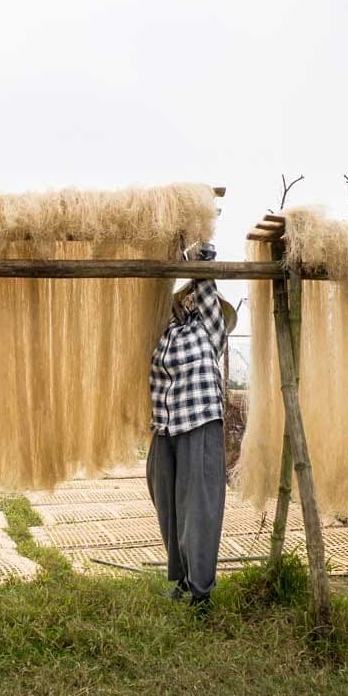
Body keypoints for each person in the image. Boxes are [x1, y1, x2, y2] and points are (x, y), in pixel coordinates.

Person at [146, 242, 233, 614]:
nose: (189, 299)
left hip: (199, 423)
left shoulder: (210, 329)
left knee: (198, 508)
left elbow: (205, 281)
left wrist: (198, 250)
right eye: (185, 296)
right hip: (165, 427)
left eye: (194, 296)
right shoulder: (165, 331)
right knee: (167, 504)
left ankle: (201, 593)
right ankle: (182, 578)